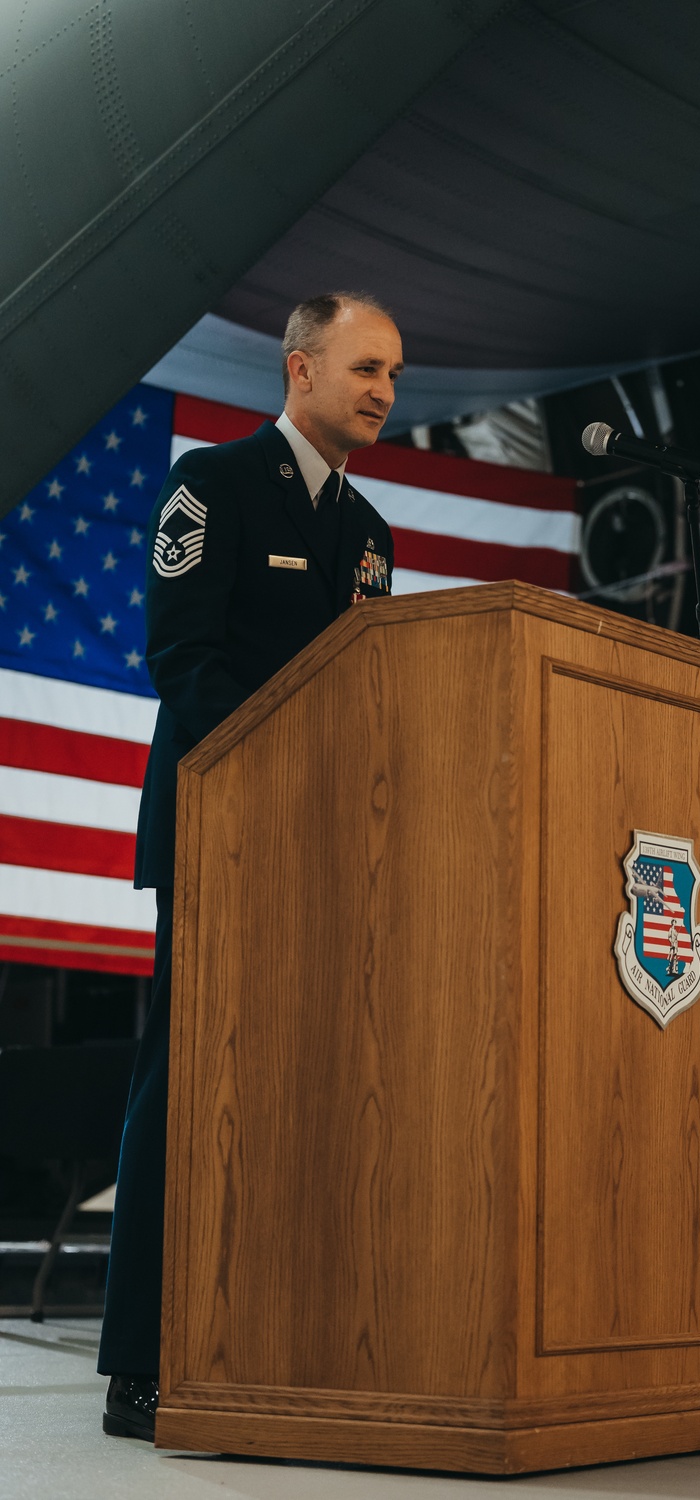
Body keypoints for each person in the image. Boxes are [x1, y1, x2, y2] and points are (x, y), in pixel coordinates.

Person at [98, 292, 404, 1439]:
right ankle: (142, 1360)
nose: (383, 390)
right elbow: (181, 654)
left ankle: (276, 1334)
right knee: (183, 1087)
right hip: (224, 828)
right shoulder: (211, 487)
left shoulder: (371, 535)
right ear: (300, 368)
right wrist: (276, 779)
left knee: (307, 1090)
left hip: (329, 853)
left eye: (395, 374)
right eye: (366, 366)